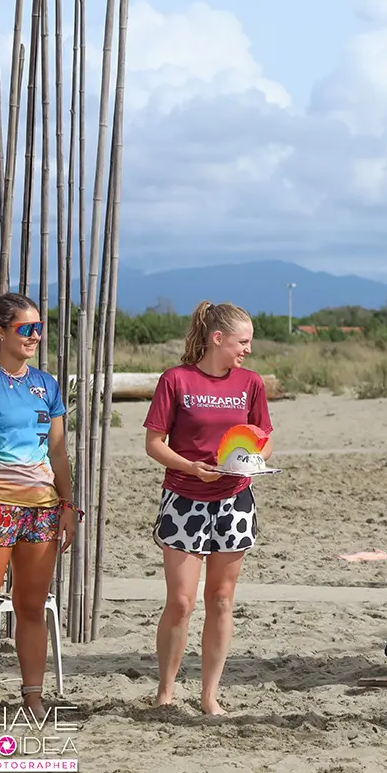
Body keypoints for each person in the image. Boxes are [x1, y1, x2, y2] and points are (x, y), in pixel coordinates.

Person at [0, 293, 78, 718]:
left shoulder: (48, 385)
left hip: (41, 509)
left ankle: (33, 698)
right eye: (26, 328)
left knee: (31, 607)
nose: (35, 335)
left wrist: (68, 504)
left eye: (39, 327)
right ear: (0, 331)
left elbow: (57, 453)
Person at [143, 301, 273, 715]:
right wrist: (191, 468)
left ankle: (209, 696)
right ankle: (165, 692)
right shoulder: (175, 380)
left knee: (220, 598)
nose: (248, 349)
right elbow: (154, 444)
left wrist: (251, 462)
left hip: (235, 500)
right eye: (242, 342)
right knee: (181, 601)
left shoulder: (251, 383)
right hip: (184, 498)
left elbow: (264, 438)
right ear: (218, 338)